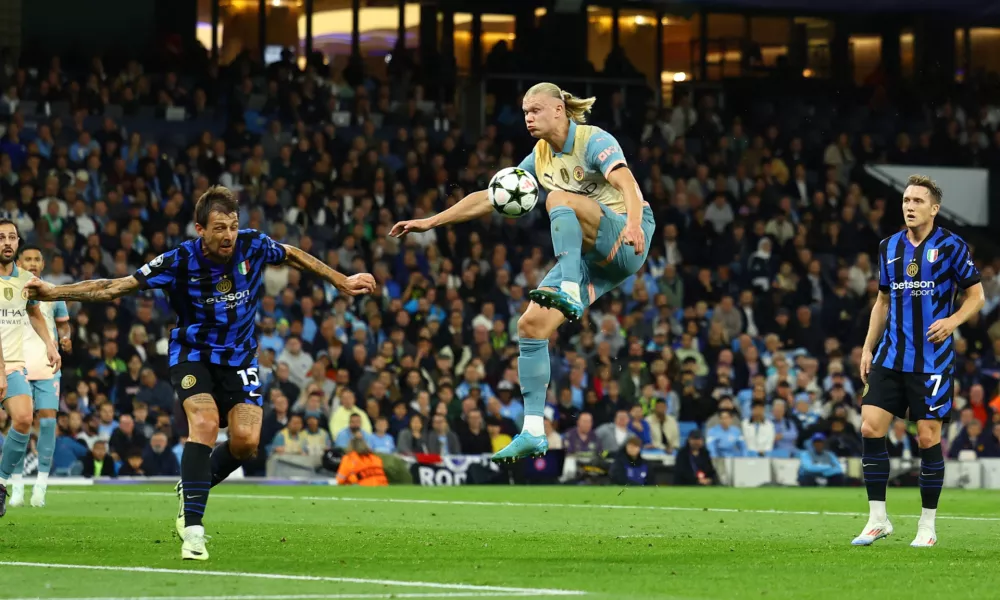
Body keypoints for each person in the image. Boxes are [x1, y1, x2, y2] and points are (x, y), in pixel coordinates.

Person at [26, 186, 375, 559]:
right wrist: (53, 291)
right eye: (220, 228)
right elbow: (116, 286)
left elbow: (292, 254)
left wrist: (341, 280)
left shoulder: (253, 245)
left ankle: (192, 483)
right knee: (206, 424)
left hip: (240, 358)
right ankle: (193, 529)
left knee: (246, 443)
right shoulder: (179, 260)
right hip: (193, 355)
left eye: (234, 227)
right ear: (200, 229)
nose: (229, 235)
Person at [390, 82, 656, 463]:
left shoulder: (593, 140)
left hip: (629, 237)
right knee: (529, 327)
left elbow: (627, 182)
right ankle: (533, 430)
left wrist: (632, 224)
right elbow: (489, 196)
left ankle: (566, 285)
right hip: (594, 259)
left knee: (558, 198)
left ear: (559, 110)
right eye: (525, 112)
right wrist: (430, 222)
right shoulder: (541, 156)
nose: (528, 118)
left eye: (535, 110)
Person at [856, 175, 985, 548]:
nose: (909, 206)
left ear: (934, 208)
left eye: (917, 201)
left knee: (927, 437)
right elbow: (882, 302)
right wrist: (868, 348)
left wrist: (952, 321)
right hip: (891, 355)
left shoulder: (951, 246)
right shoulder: (889, 247)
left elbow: (975, 296)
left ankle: (927, 526)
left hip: (932, 362)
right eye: (906, 200)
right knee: (870, 428)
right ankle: (877, 519)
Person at [0, 222, 61, 517]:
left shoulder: (25, 280)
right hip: (3, 366)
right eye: (1, 238)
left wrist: (50, 343)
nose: (7, 242)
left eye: (12, 237)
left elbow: (34, 311)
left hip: (12, 365)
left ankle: (2, 483)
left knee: (24, 419)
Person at [9, 245, 70, 507]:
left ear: (43, 264)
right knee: (19, 425)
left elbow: (63, 325)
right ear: (19, 262)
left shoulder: (52, 293)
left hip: (47, 365)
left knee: (47, 423)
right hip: (17, 364)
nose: (33, 263)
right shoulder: (9, 289)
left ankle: (41, 485)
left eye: (37, 259)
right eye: (28, 259)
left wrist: (65, 339)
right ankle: (17, 483)